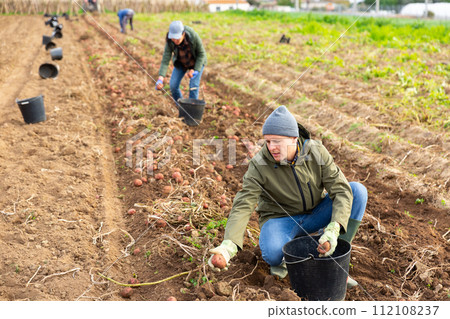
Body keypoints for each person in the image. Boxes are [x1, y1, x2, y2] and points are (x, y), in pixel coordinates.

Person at [208, 105, 367, 288]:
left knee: (357, 192)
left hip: (316, 213)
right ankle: (288, 255)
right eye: (267, 142)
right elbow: (244, 203)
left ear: (294, 138)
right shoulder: (260, 164)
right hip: (280, 220)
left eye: (277, 141)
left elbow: (341, 190)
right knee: (273, 253)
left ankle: (333, 256)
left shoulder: (316, 152)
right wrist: (229, 245)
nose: (271, 148)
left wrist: (335, 226)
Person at [155, 21, 207, 102]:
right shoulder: (170, 42)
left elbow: (201, 54)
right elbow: (165, 60)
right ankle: (181, 107)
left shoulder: (192, 36)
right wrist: (160, 79)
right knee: (173, 85)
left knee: (193, 86)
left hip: (196, 62)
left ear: (183, 34)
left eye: (177, 38)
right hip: (182, 62)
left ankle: (192, 110)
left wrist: (195, 70)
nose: (175, 41)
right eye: (173, 39)